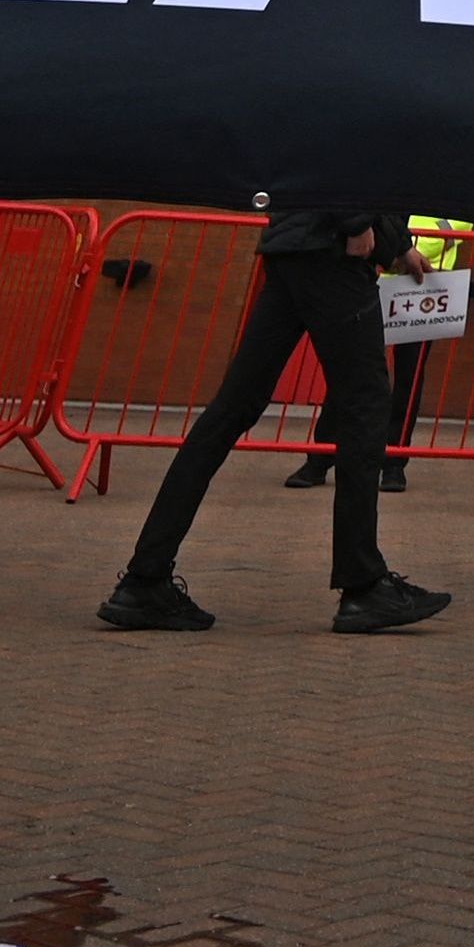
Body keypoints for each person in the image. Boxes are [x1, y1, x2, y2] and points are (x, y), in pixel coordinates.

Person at [94, 202, 450, 635]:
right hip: (335, 253)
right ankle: (364, 584)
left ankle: (144, 577)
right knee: (366, 409)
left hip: (292, 252)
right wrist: (355, 220)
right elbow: (348, 147)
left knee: (229, 412)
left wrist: (400, 247)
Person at [290, 210, 458, 492]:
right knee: (351, 370)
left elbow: (451, 229)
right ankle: (320, 457)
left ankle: (393, 463)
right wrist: (393, 245)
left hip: (422, 285)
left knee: (409, 378)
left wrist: (395, 246)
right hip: (371, 279)